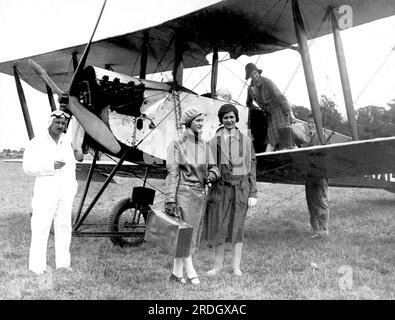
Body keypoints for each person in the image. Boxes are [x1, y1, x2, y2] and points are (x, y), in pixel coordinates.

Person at [164, 106, 219, 285]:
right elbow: (172, 173)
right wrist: (170, 199)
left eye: (202, 120)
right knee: (185, 235)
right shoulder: (176, 145)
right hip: (183, 193)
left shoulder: (205, 144)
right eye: (198, 120)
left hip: (200, 195)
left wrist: (212, 175)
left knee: (190, 235)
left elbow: (214, 167)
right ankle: (191, 272)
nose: (201, 124)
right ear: (188, 123)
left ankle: (176, 273)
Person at [23, 110, 81, 275]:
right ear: (50, 123)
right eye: (58, 123)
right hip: (45, 191)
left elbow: (72, 167)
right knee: (41, 227)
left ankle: (63, 264)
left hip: (65, 192)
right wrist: (50, 165)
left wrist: (72, 188)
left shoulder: (66, 142)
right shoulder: (37, 142)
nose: (61, 126)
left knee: (64, 227)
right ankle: (36, 267)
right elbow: (27, 167)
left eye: (63, 123)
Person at [203, 103, 257, 276]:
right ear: (221, 120)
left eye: (231, 117)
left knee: (237, 228)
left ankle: (236, 267)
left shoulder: (246, 141)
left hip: (240, 189)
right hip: (221, 190)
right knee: (219, 227)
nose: (229, 120)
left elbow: (252, 166)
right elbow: (209, 165)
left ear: (236, 119)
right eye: (225, 117)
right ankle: (217, 267)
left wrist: (253, 192)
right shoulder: (213, 142)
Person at [245, 62, 296, 152]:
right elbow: (248, 103)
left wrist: (290, 113)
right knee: (272, 138)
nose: (254, 76)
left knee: (284, 139)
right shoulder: (250, 89)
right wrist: (257, 108)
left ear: (258, 72)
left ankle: (294, 156)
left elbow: (280, 97)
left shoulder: (267, 82)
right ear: (249, 76)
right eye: (251, 75)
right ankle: (266, 160)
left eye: (255, 73)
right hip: (270, 114)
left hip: (280, 111)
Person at [303, 115, 329, 238]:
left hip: (318, 175)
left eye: (312, 123)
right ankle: (316, 230)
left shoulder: (320, 135)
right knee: (312, 203)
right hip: (310, 174)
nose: (310, 125)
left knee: (319, 202)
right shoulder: (311, 136)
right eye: (308, 123)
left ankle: (323, 231)